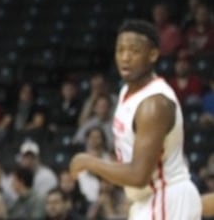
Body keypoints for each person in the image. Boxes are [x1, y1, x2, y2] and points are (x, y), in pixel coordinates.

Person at [70, 19, 202, 219]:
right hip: (147, 200)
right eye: (120, 50)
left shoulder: (153, 104)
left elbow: (139, 176)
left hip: (166, 199)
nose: (125, 57)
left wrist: (89, 162)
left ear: (153, 55)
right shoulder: (126, 91)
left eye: (134, 51)